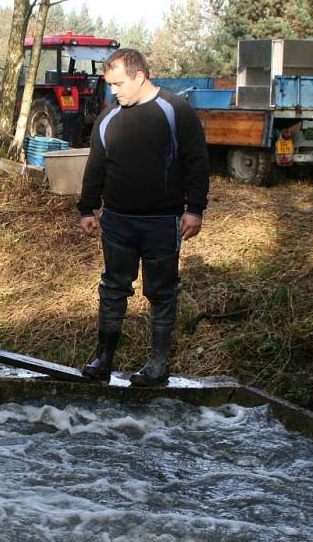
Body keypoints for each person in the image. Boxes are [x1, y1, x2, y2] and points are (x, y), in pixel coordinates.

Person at [77, 48, 210, 386]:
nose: (113, 91)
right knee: (113, 289)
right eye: (110, 84)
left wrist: (195, 208)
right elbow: (96, 165)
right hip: (117, 221)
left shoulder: (175, 111)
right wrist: (86, 207)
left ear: (139, 76)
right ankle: (103, 358)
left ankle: (158, 364)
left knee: (162, 292)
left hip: (162, 222)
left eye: (119, 83)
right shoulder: (109, 118)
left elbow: (197, 161)